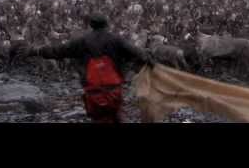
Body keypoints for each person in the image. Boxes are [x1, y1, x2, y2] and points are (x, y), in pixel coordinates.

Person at [25, 13, 154, 123]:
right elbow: (140, 54)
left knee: (97, 118)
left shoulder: (81, 41)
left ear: (91, 25)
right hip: (113, 90)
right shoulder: (116, 40)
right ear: (106, 24)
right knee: (115, 117)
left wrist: (36, 51)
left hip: (92, 90)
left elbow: (58, 51)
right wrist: (154, 65)